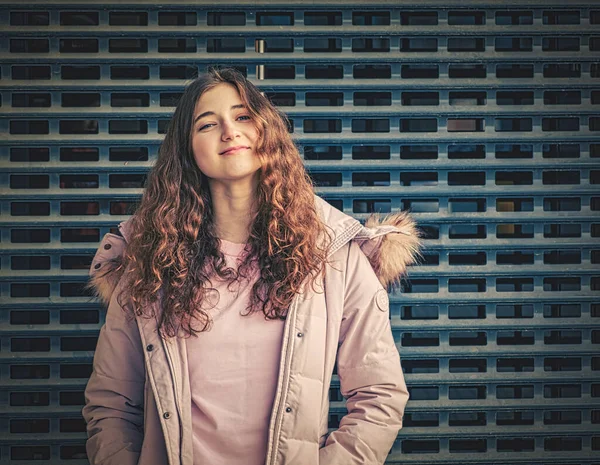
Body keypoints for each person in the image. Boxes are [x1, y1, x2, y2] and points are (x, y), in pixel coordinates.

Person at [82, 67, 422, 465]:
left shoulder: (335, 255)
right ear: (186, 148)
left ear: (266, 129)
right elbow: (110, 405)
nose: (230, 131)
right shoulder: (150, 261)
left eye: (242, 116)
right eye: (207, 124)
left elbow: (379, 396)